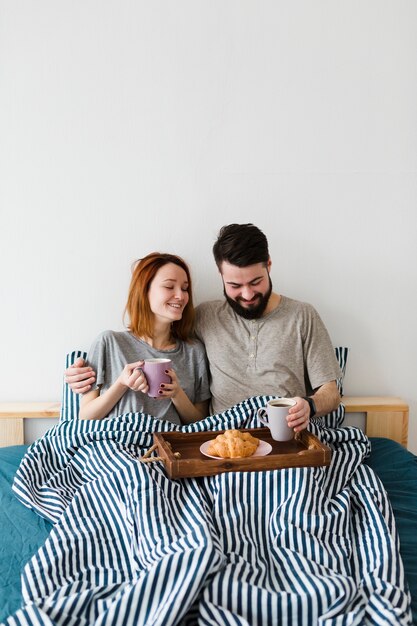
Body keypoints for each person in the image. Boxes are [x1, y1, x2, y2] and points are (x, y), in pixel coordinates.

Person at [65, 225, 341, 434]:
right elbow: (156, 329)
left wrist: (311, 405)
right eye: (234, 285)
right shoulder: (204, 317)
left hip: (283, 432)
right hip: (222, 438)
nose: (246, 294)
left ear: (268, 265)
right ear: (221, 275)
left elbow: (331, 391)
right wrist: (81, 371)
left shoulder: (303, 315)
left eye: (255, 281)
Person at [76, 252, 210, 425]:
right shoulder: (109, 342)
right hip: (117, 444)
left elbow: (200, 422)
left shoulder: (194, 352)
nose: (181, 296)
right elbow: (85, 417)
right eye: (169, 287)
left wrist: (177, 394)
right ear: (144, 291)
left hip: (168, 447)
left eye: (184, 288)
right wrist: (122, 384)